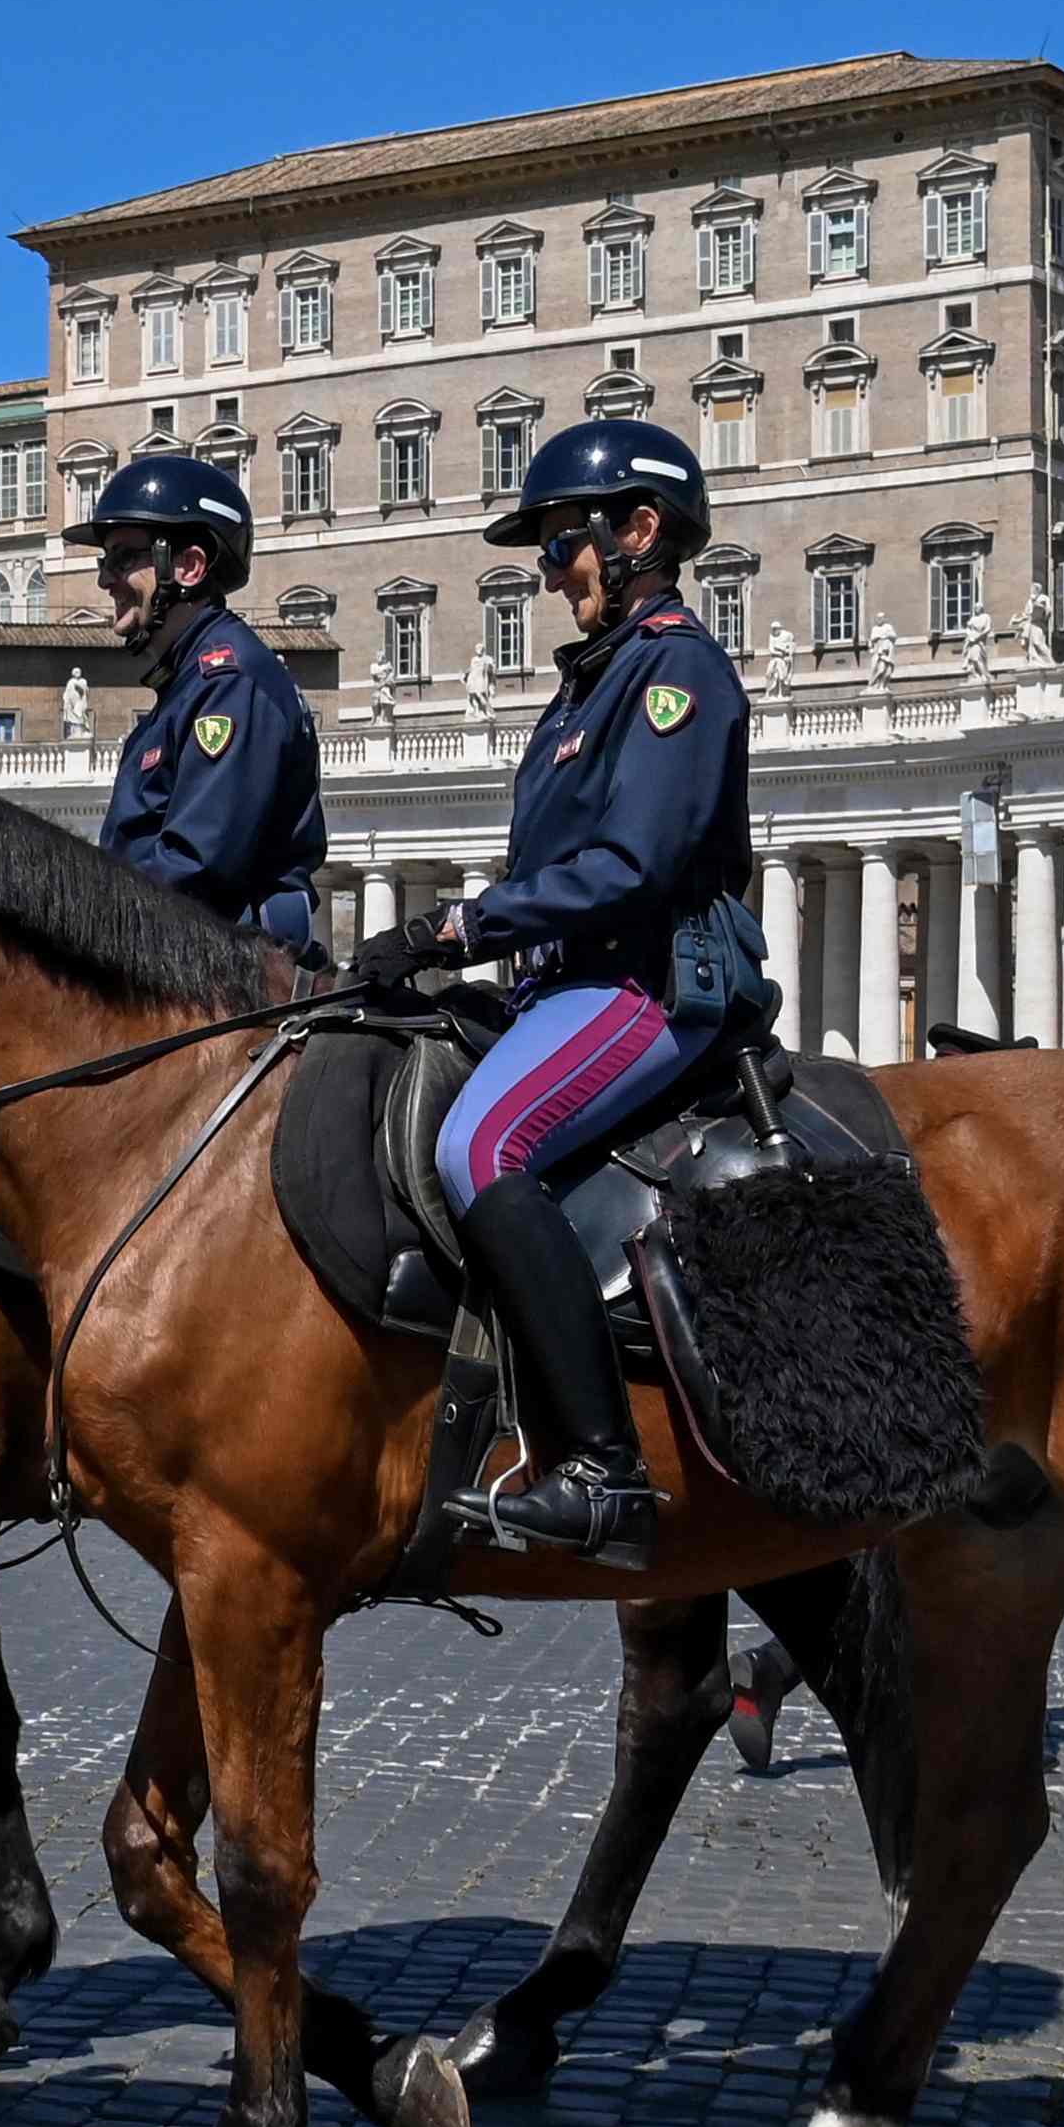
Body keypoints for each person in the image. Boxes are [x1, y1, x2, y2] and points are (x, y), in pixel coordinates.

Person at [339, 416, 764, 1557]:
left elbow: (635, 867)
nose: (546, 568)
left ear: (639, 531)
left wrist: (455, 924)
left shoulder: (676, 669)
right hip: (570, 981)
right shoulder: (592, 684)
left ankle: (603, 1470)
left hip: (651, 978)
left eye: (561, 541)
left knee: (481, 1147)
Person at [67, 450, 328, 953]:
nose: (104, 580)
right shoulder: (187, 682)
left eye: (123, 558)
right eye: (104, 561)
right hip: (183, 961)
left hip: (225, 982)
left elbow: (195, 868)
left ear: (188, 566)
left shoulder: (229, 683)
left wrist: (76, 916)